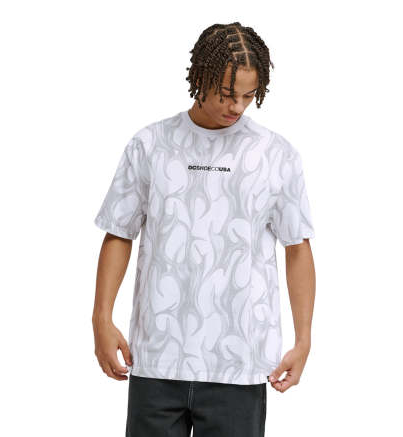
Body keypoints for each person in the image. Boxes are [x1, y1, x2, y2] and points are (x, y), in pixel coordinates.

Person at [92, 21, 316, 437]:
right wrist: (101, 318)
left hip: (241, 364)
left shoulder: (275, 154)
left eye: (249, 95)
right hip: (157, 359)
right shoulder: (151, 144)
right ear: (201, 77)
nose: (237, 106)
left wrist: (303, 340)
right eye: (227, 94)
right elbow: (119, 232)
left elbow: (297, 247)